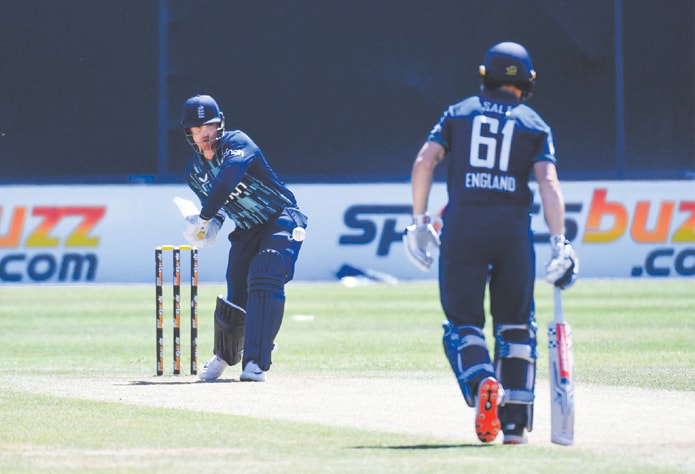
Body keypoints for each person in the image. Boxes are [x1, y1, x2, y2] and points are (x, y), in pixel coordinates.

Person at [403, 42, 577, 444]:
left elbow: (424, 161)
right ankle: (514, 426)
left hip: (463, 229)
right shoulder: (534, 123)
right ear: (528, 80)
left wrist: (418, 220)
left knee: (463, 325)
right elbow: (548, 183)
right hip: (514, 233)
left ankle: (483, 379)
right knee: (517, 326)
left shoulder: (459, 113)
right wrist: (560, 242)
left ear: (487, 75)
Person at [179, 94, 307, 382]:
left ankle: (256, 361)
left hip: (281, 218)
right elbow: (220, 210)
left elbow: (227, 179)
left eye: (209, 127)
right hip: (247, 229)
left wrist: (205, 216)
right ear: (189, 134)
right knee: (236, 288)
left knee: (266, 272)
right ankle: (225, 355)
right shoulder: (194, 172)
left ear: (220, 125)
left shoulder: (238, 143)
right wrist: (204, 230)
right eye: (197, 130)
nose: (204, 135)